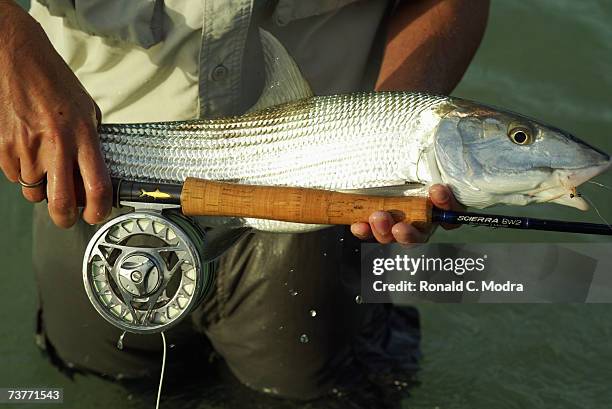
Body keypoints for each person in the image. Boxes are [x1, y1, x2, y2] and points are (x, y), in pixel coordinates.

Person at [0, 0, 488, 401]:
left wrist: (391, 135)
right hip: (89, 184)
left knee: (319, 394)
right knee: (99, 390)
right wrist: (9, 44)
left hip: (325, 205)